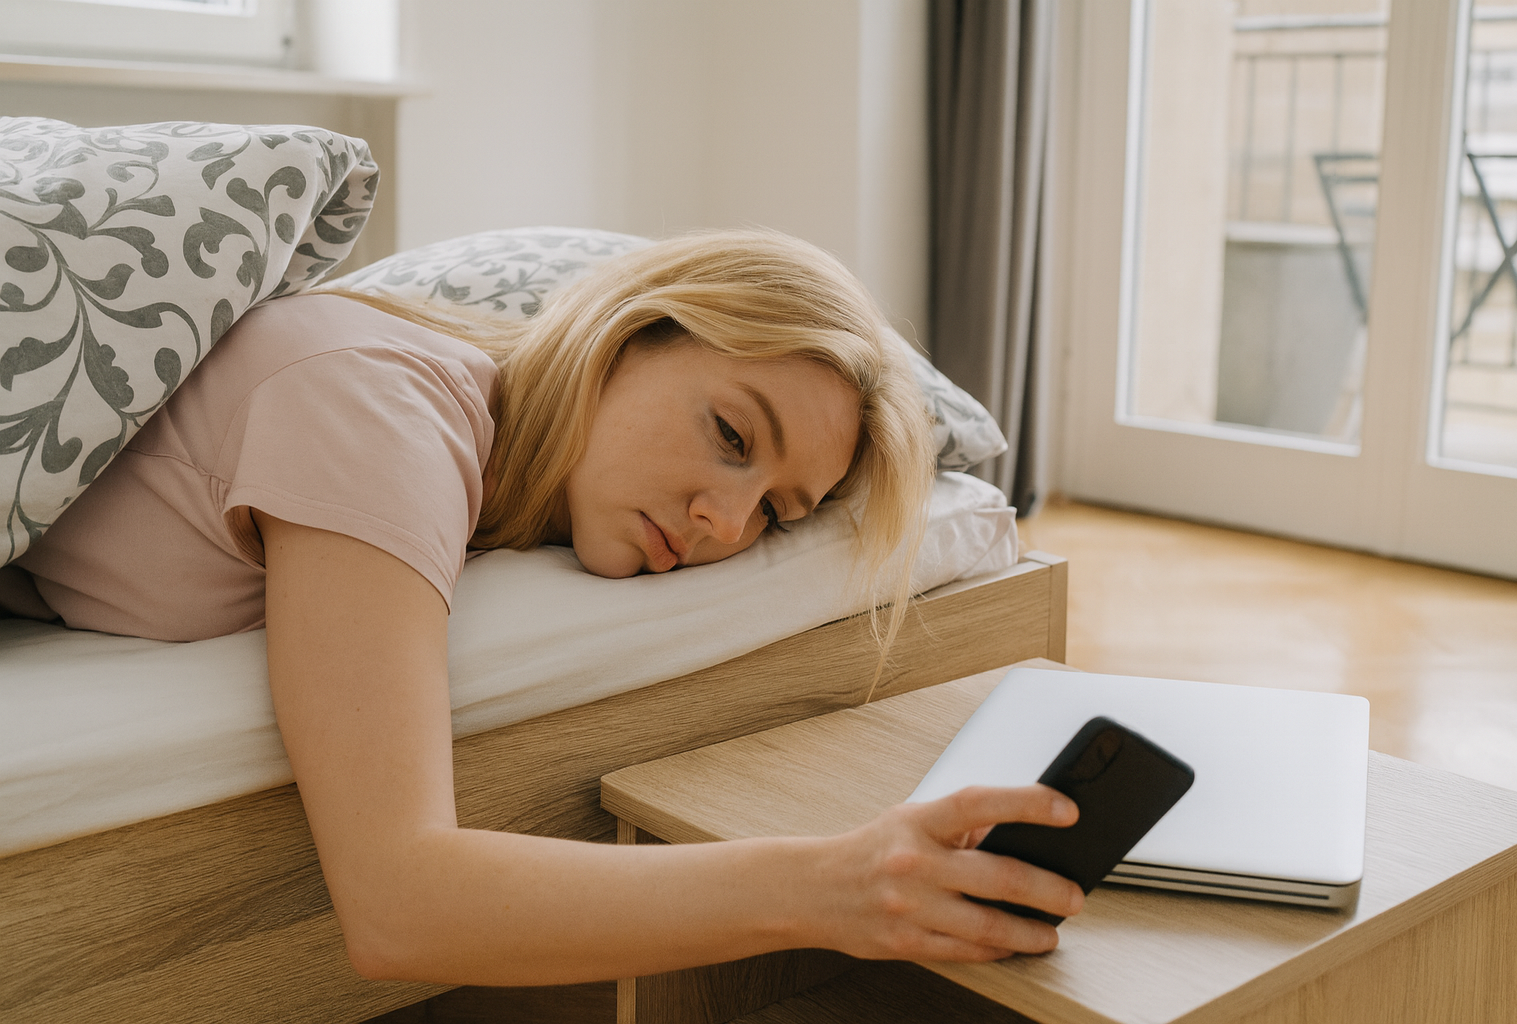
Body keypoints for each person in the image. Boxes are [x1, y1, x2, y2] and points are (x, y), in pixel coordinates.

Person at [10, 230, 1083, 983]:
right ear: (626, 337)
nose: (724, 520)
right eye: (730, 434)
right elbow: (397, 901)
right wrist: (831, 885)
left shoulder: (475, 455)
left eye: (777, 511)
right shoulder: (383, 413)